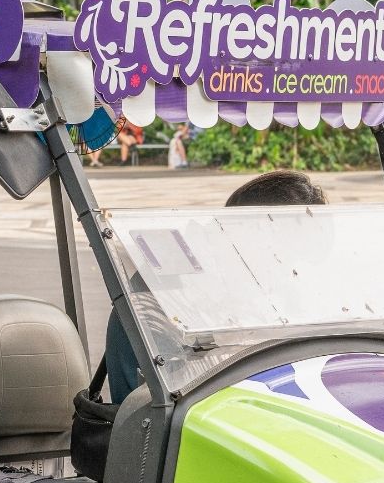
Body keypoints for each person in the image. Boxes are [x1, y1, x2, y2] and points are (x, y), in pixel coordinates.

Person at [104, 168, 327, 403]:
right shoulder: (168, 294)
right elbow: (177, 395)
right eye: (286, 253)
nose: (289, 268)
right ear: (254, 230)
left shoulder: (262, 285)